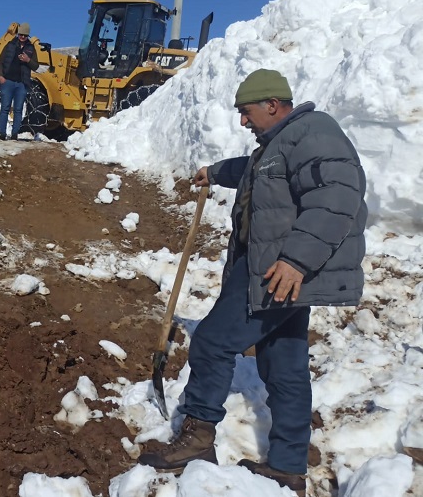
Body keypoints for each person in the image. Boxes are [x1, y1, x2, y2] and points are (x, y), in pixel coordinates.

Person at [138, 69, 367, 496]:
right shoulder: (281, 142)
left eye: (246, 112)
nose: (243, 121)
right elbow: (257, 172)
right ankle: (287, 467)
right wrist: (217, 171)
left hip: (278, 270)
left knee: (211, 340)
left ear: (273, 105)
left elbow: (338, 196)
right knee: (285, 367)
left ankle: (198, 440)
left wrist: (296, 261)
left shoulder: (315, 133)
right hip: (281, 268)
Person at [0, 22, 39, 140]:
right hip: (7, 81)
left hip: (22, 84)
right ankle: (2, 134)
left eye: (25, 35)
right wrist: (0, 76)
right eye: (21, 35)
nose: (22, 37)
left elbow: (35, 66)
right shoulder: (10, 45)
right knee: (5, 108)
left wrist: (28, 59)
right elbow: (0, 61)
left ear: (27, 36)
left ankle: (14, 135)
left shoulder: (31, 48)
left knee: (18, 110)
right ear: (18, 34)